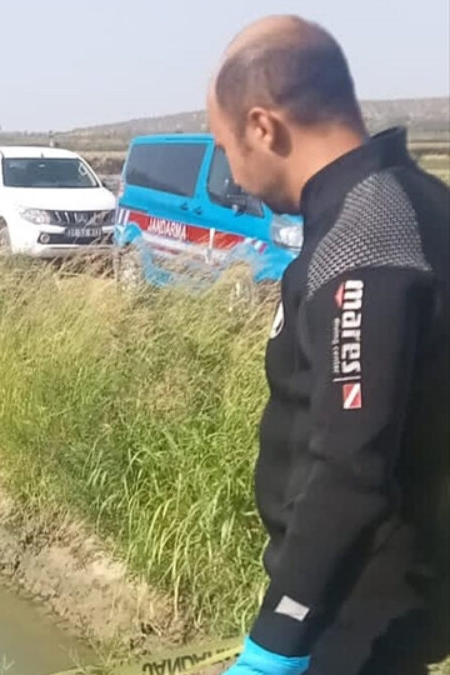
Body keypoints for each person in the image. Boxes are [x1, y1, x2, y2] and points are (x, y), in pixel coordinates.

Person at [204, 15, 450, 675]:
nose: (233, 169)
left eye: (226, 145)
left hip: (356, 629)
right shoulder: (421, 202)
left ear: (263, 127)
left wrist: (274, 646)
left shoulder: (367, 240)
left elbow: (351, 467)